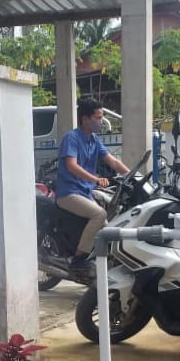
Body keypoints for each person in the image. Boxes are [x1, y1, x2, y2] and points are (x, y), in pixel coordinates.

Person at [56, 97, 131, 270]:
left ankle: (98, 267)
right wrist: (95, 179)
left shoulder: (94, 140)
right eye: (98, 118)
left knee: (106, 231)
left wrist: (133, 175)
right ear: (85, 119)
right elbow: (71, 165)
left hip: (85, 193)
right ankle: (77, 260)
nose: (101, 122)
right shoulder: (72, 138)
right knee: (99, 214)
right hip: (69, 193)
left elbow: (113, 161)